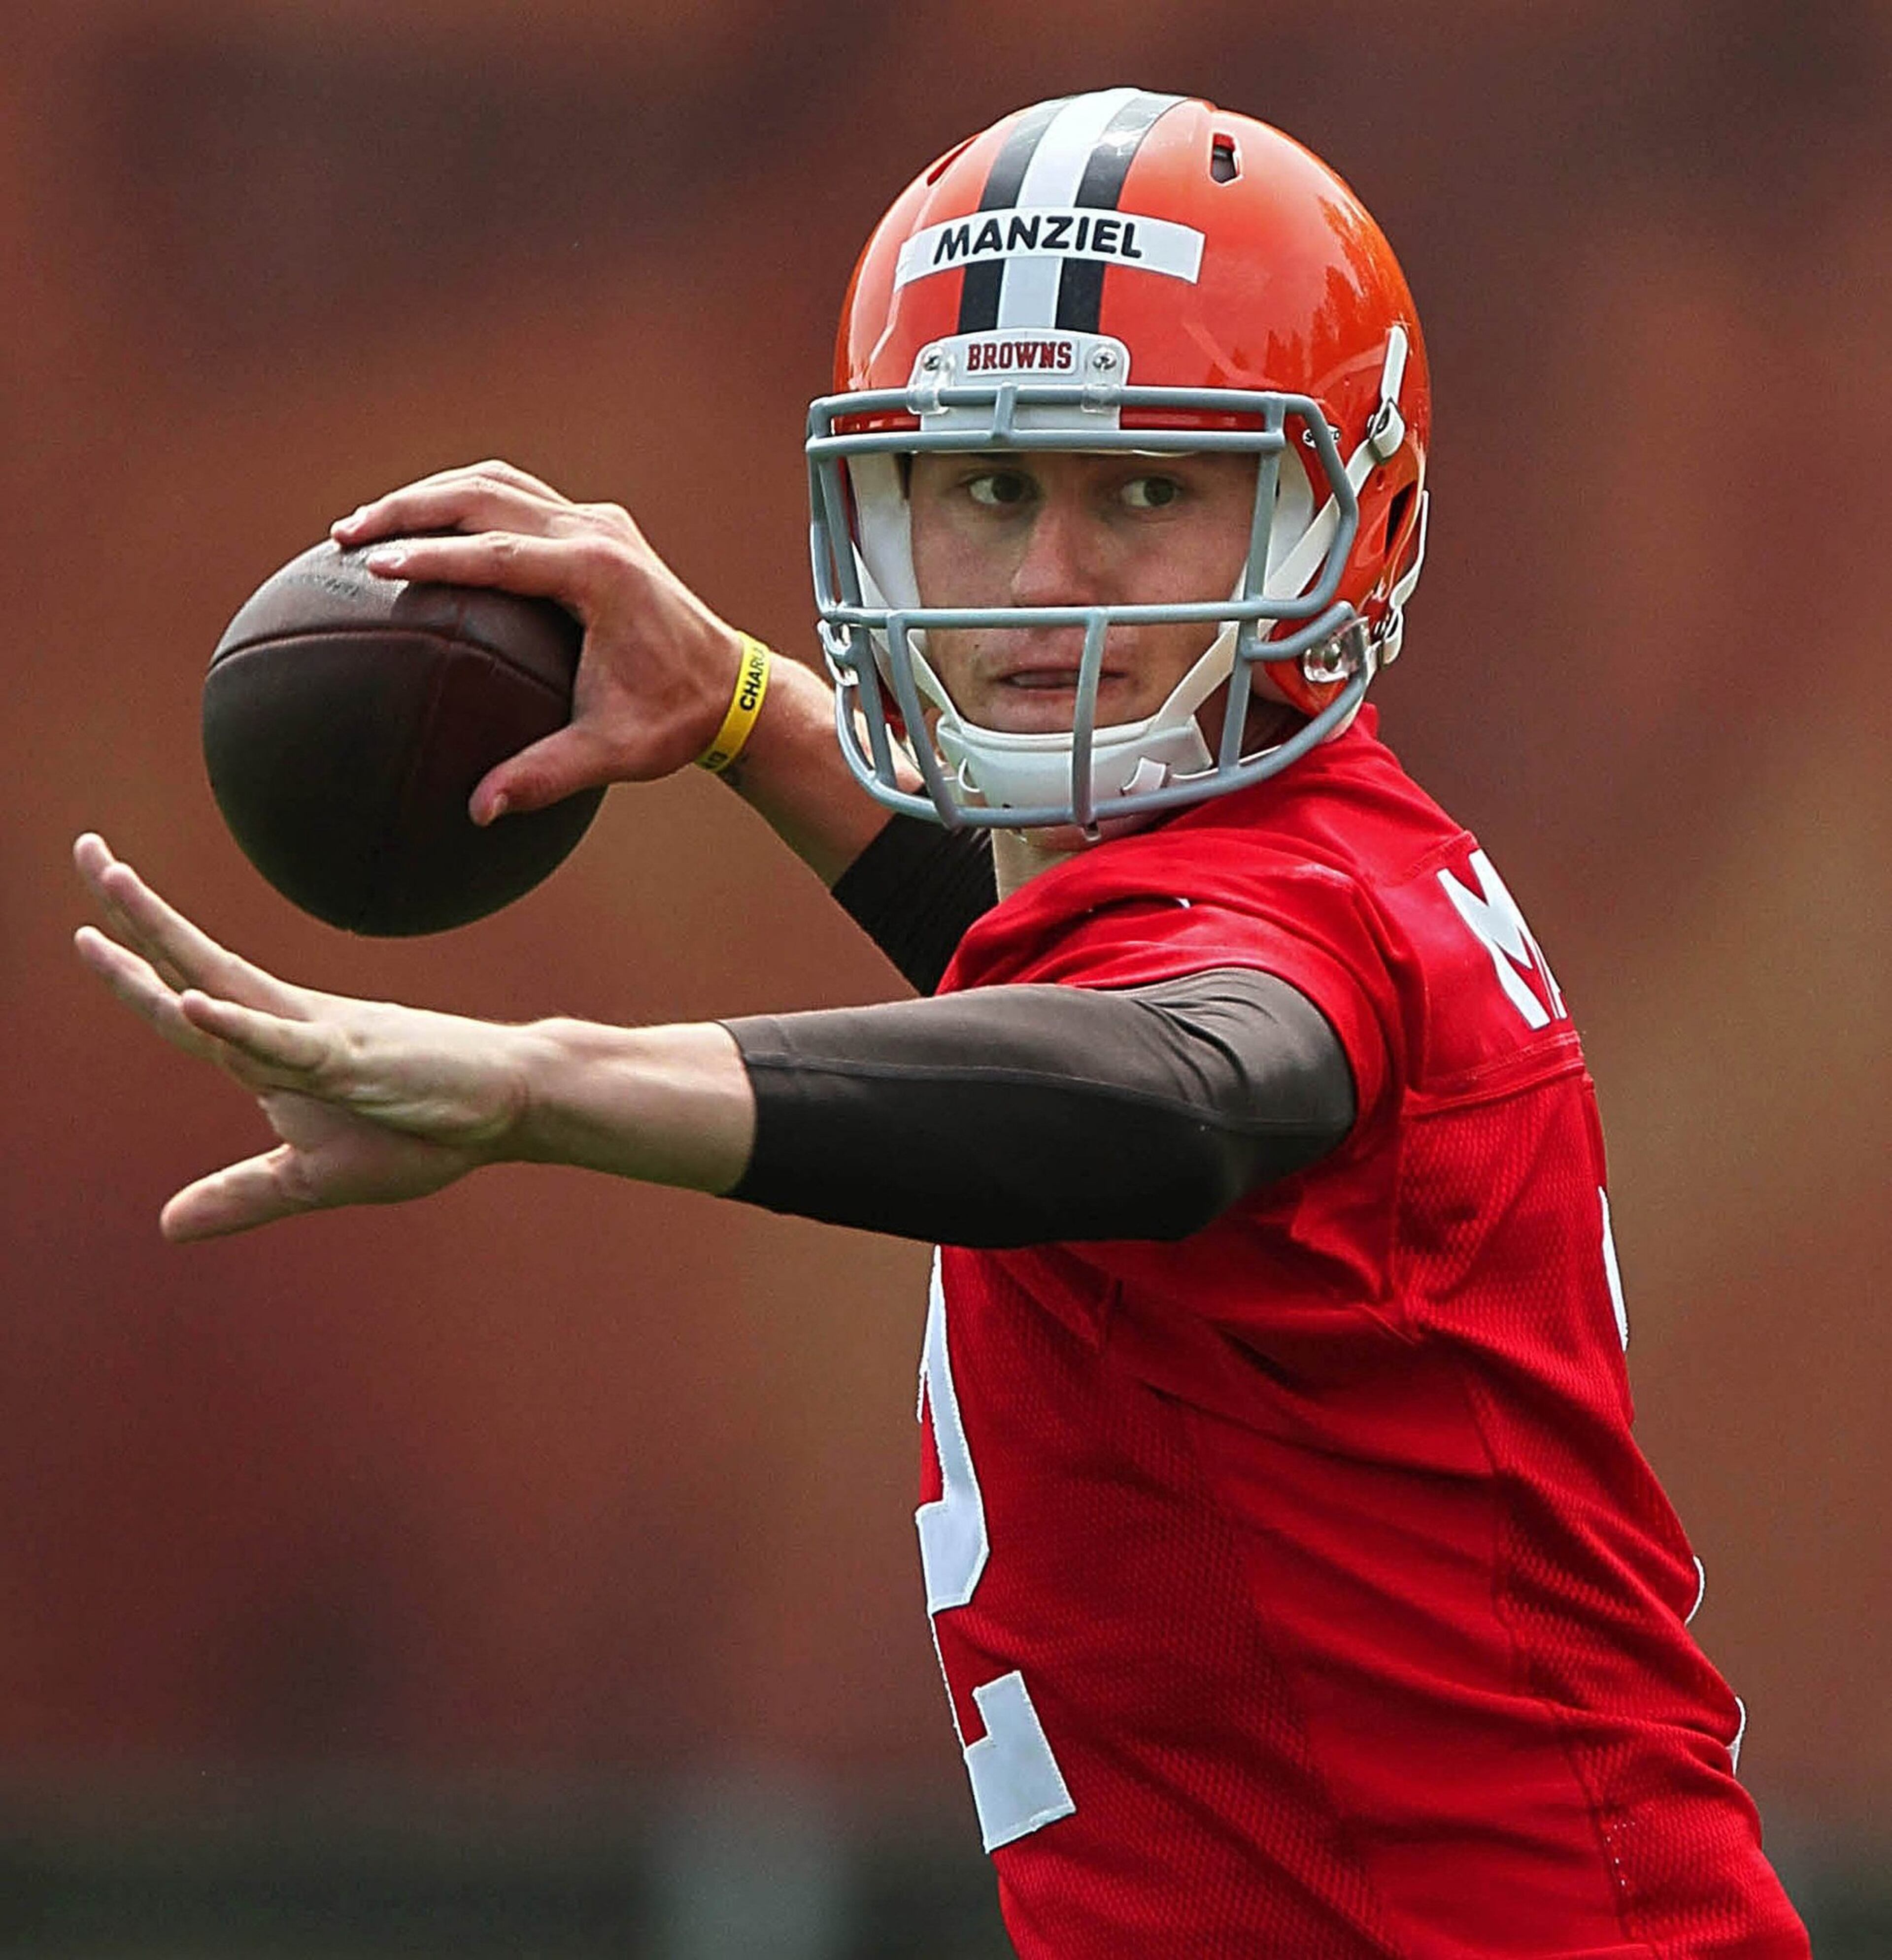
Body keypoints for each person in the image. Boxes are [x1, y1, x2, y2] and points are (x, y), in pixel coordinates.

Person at [76, 91, 1810, 1959]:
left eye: (1145, 489)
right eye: (988, 490)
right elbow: (1051, 992)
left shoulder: (1311, 914)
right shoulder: (1224, 866)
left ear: (1340, 511)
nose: (1045, 582)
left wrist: (539, 1085)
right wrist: (740, 707)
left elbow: (1166, 1096)